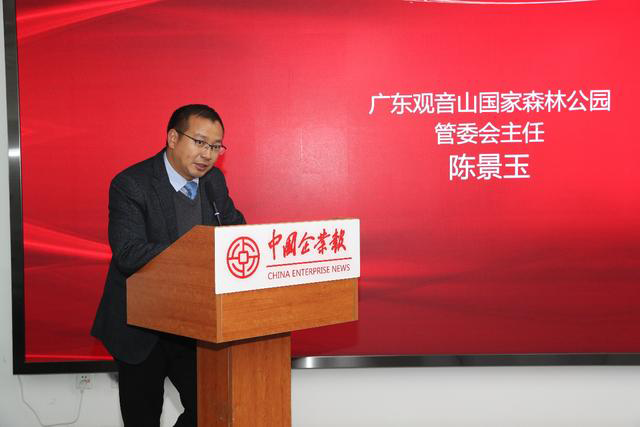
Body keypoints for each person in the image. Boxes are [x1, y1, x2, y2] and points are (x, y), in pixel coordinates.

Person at [91, 104, 245, 426]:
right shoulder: (132, 184)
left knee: (210, 411)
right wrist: (198, 254)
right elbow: (129, 252)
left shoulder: (214, 181)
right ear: (173, 138)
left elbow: (234, 228)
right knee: (142, 419)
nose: (207, 154)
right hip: (140, 327)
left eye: (216, 146)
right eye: (200, 142)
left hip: (192, 324)